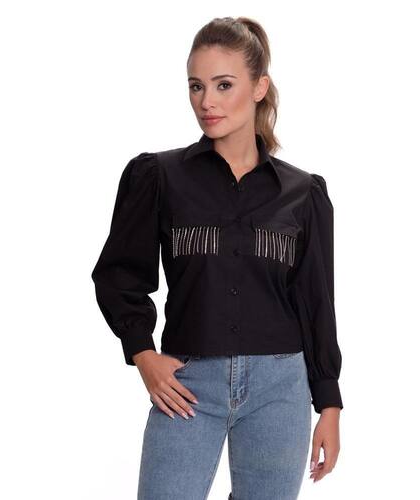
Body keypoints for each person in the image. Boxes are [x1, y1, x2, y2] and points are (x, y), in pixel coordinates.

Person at [91, 16, 343, 500]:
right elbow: (118, 275)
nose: (206, 101)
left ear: (259, 88)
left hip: (280, 389)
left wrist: (328, 404)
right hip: (188, 383)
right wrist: (143, 354)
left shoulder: (303, 193)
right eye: (196, 86)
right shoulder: (159, 177)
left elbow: (316, 302)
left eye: (224, 85)